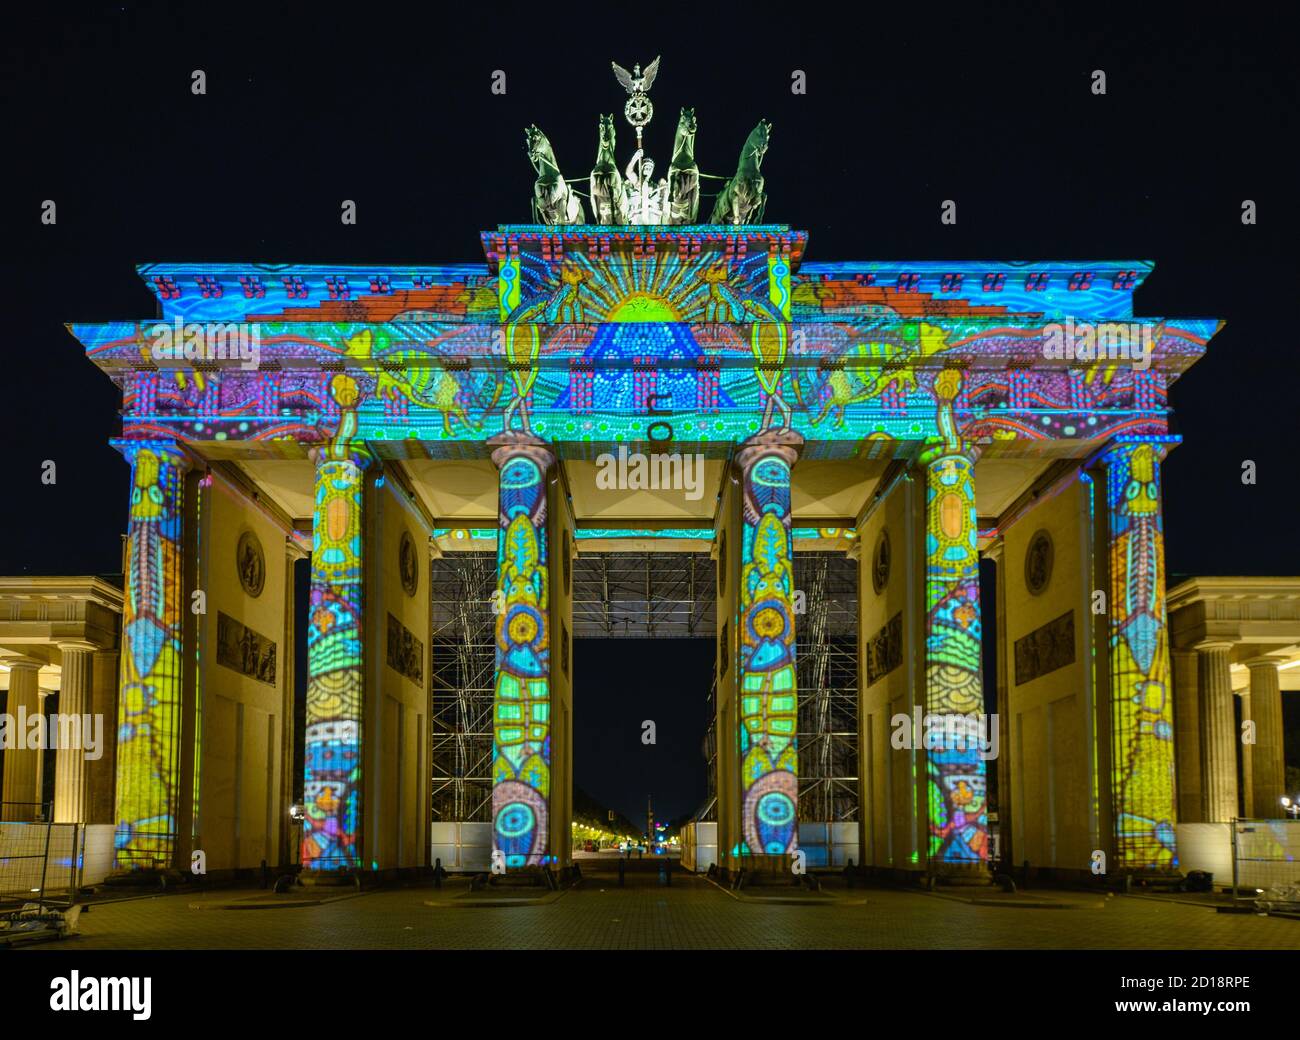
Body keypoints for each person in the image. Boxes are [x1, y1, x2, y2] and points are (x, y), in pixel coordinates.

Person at [624, 149, 666, 224]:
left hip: (653, 217)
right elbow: (629, 172)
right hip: (637, 215)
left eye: (650, 168)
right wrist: (635, 157)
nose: (648, 169)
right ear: (641, 168)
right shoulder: (637, 182)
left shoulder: (656, 186)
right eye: (646, 167)